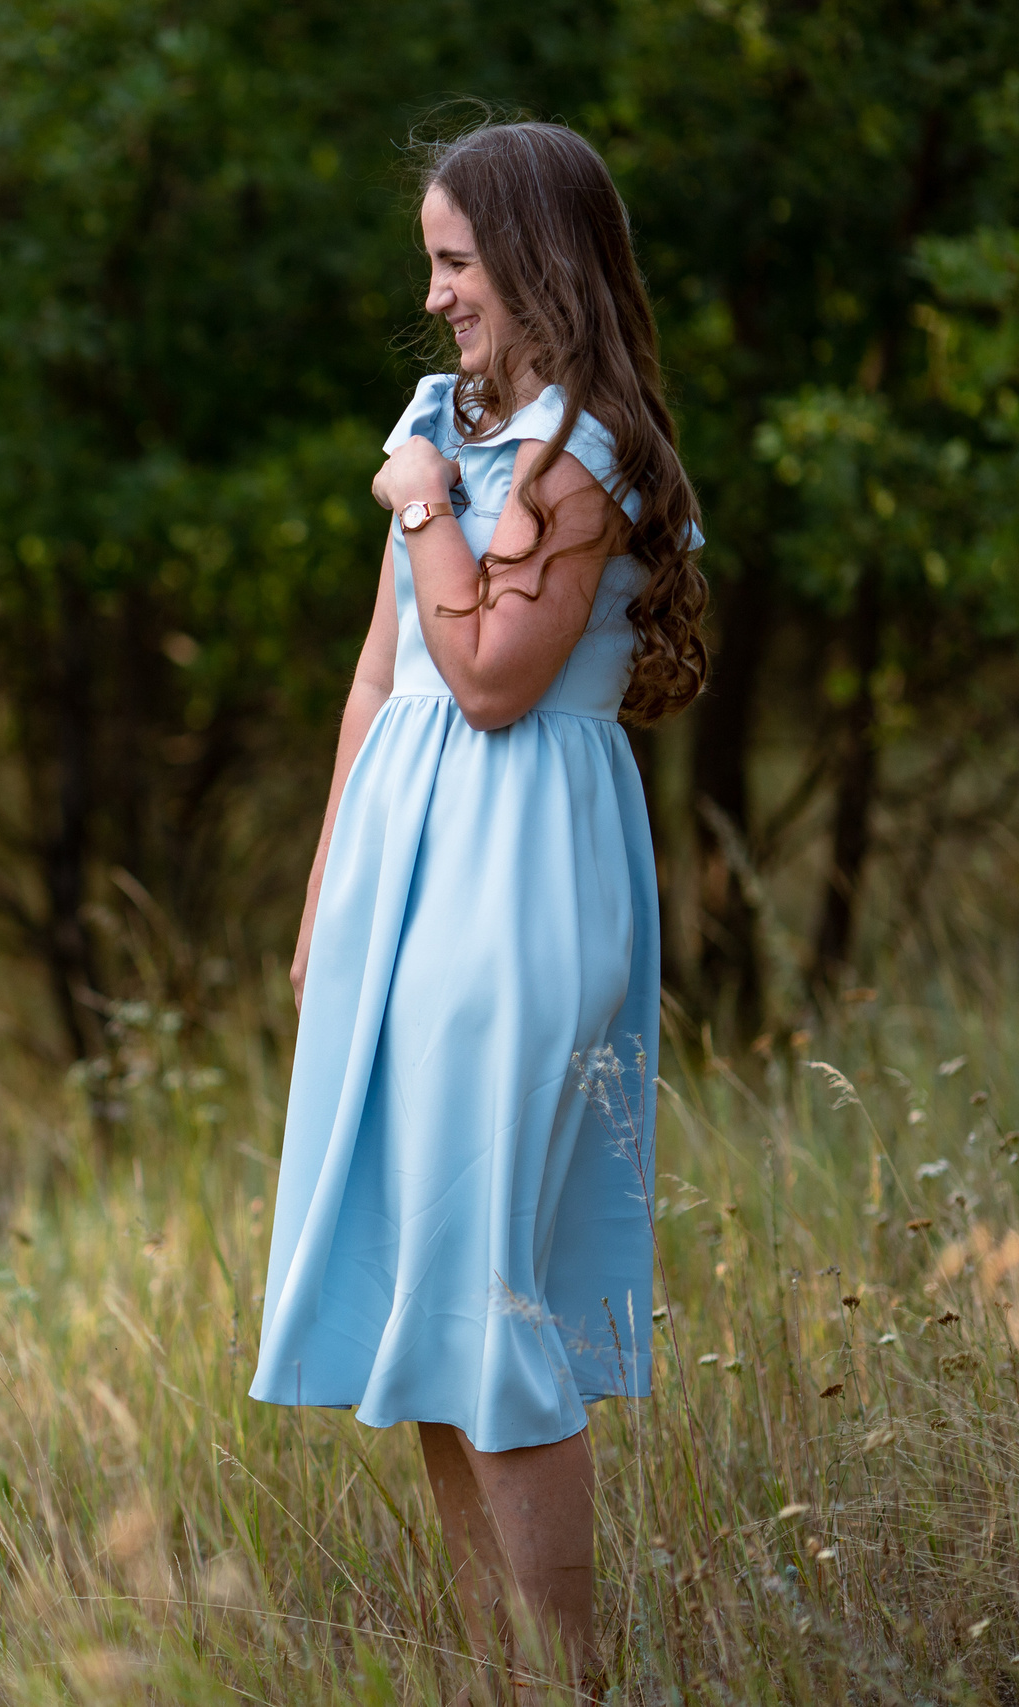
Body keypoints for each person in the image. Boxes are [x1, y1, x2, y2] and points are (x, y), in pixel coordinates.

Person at [250, 121, 707, 1699]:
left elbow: (497, 683)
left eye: (458, 262)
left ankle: (568, 1677)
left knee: (491, 1281)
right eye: (434, 260)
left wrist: (428, 501)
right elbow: (381, 674)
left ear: (533, 264)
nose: (437, 295)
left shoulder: (577, 455)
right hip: (405, 876)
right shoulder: (443, 423)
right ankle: (493, 1673)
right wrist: (328, 904)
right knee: (429, 1282)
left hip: (517, 873)